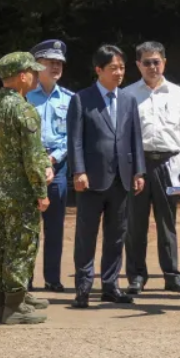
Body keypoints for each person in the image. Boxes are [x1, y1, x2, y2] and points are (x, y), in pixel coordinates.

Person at [67, 45, 146, 309]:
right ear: (98, 70)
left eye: (122, 68)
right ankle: (83, 286)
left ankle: (110, 286)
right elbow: (75, 140)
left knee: (116, 235)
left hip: (122, 178)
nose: (119, 73)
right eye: (113, 68)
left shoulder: (128, 99)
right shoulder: (82, 99)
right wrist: (78, 170)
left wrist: (139, 171)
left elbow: (135, 137)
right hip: (91, 179)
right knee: (86, 235)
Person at [0, 51, 53, 324]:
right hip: (20, 192)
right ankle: (14, 306)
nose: (35, 76)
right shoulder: (24, 109)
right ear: (22, 76)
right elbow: (33, 159)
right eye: (32, 72)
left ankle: (1, 302)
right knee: (21, 245)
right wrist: (41, 193)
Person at [124, 41, 180, 294]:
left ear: (164, 62)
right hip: (139, 167)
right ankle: (136, 276)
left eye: (157, 62)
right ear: (138, 65)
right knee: (135, 224)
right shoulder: (128, 94)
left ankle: (173, 275)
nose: (152, 67)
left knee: (168, 222)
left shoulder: (178, 94)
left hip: (170, 165)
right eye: (147, 62)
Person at [26, 39, 74, 292]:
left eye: (59, 63)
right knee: (28, 226)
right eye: (50, 62)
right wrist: (37, 161)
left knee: (54, 227)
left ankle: (52, 279)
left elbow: (72, 137)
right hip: (28, 168)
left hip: (57, 167)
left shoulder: (70, 99)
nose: (56, 67)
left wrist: (52, 160)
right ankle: (26, 279)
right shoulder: (23, 98)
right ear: (37, 64)